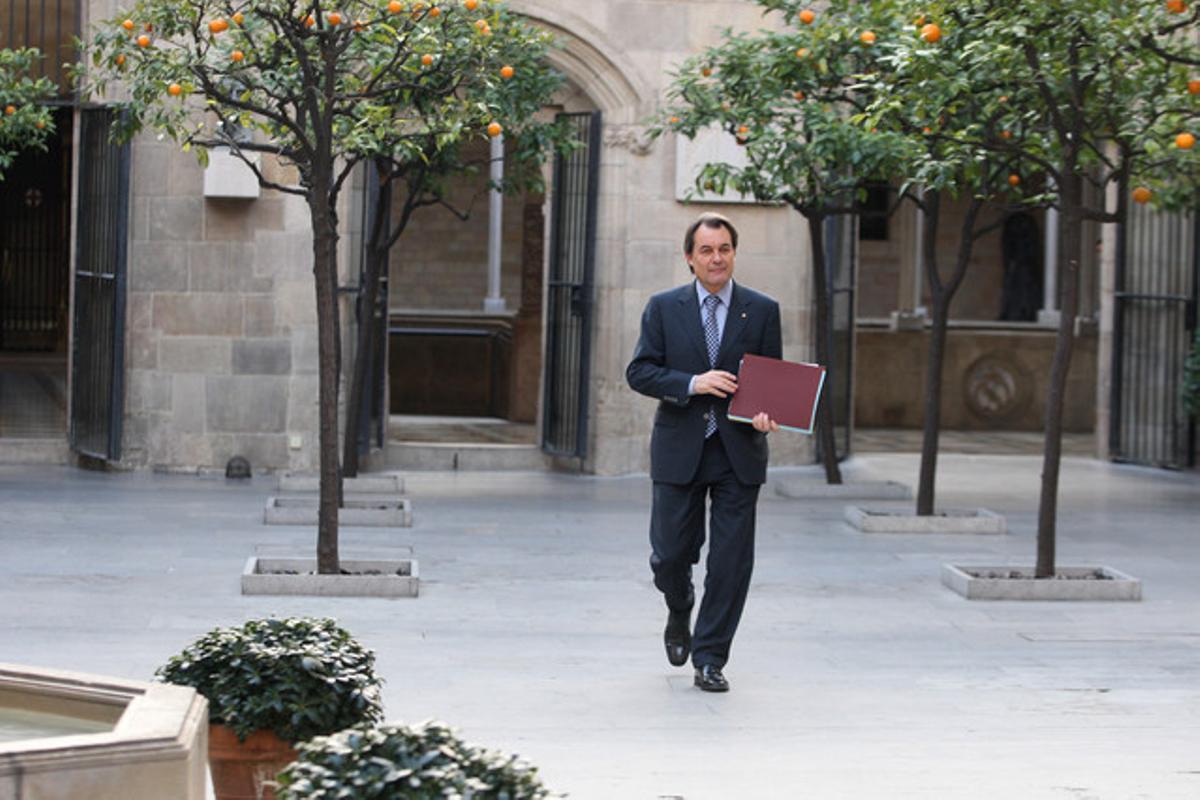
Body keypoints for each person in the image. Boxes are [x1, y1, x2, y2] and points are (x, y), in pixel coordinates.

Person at [626, 212, 782, 693]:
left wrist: (767, 413)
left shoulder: (761, 310)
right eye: (707, 251)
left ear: (734, 253)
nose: (717, 259)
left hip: (738, 452)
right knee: (670, 555)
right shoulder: (663, 308)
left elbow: (772, 383)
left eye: (725, 249)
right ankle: (679, 606)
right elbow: (640, 372)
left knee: (731, 563)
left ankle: (710, 658)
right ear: (690, 258)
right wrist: (693, 383)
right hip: (680, 448)